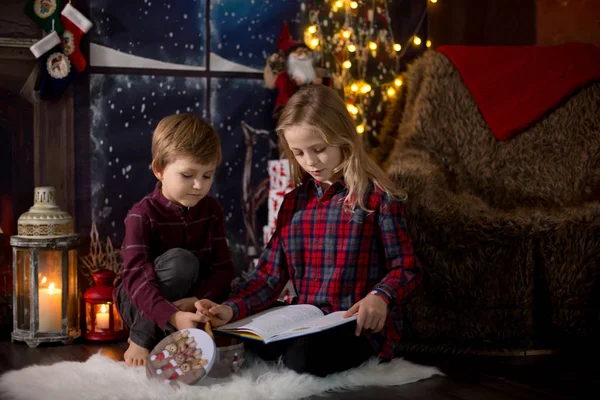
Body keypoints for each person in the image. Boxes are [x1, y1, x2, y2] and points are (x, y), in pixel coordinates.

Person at [196, 85, 423, 377]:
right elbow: (268, 277)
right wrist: (229, 310)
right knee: (245, 340)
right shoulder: (293, 203)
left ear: (343, 140)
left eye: (319, 150)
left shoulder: (377, 198)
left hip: (357, 326)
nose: (310, 162)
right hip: (304, 320)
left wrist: (380, 296)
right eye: (299, 153)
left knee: (302, 359)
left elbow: (406, 266)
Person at [114, 114, 236, 367]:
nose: (198, 185)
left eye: (207, 176)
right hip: (138, 300)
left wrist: (197, 300)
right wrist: (171, 315)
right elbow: (136, 278)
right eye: (187, 175)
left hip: (189, 297)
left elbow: (223, 270)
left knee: (235, 279)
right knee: (182, 262)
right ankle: (142, 338)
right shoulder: (141, 215)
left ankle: (177, 337)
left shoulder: (212, 210)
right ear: (159, 169)